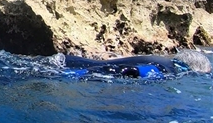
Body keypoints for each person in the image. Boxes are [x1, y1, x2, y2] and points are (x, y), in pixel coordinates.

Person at [58, 49, 211, 79]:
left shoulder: (162, 60)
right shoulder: (167, 68)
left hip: (69, 60)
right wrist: (72, 75)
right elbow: (131, 70)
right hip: (71, 68)